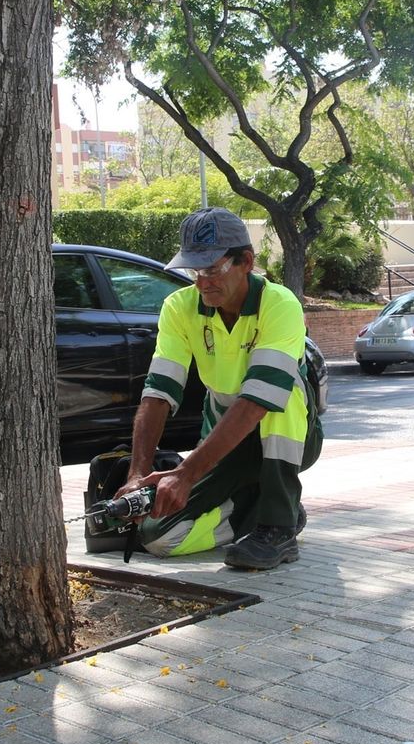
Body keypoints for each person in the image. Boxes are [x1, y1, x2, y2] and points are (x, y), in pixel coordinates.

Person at [117, 207, 321, 570]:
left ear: (246, 261)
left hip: (288, 437)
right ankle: (260, 509)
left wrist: (185, 473)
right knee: (161, 538)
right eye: (195, 271)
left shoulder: (280, 304)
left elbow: (257, 401)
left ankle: (278, 527)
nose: (202, 282)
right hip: (223, 442)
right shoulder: (179, 308)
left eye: (212, 269)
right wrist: (137, 475)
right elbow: (158, 392)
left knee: (281, 393)